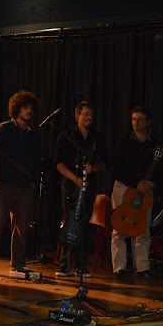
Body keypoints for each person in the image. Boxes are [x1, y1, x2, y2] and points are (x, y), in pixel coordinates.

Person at [0, 91, 41, 277]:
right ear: (17, 108)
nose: (29, 110)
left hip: (24, 187)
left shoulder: (33, 136)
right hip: (3, 184)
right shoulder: (3, 129)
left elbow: (36, 161)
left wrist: (33, 183)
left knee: (21, 228)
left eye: (31, 107)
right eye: (25, 107)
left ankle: (18, 265)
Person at [54, 101, 107, 278]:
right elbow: (58, 163)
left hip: (89, 187)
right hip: (70, 185)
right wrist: (74, 178)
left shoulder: (97, 138)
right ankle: (64, 265)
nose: (89, 117)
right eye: (85, 114)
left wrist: (94, 168)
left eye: (91, 115)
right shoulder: (66, 136)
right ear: (77, 116)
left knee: (84, 224)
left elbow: (104, 164)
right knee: (68, 221)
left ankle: (80, 266)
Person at [111, 106, 162, 279]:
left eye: (140, 119)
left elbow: (162, 171)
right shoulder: (123, 142)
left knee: (143, 228)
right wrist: (135, 183)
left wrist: (152, 184)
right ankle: (119, 268)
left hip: (145, 190)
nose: (136, 122)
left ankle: (142, 267)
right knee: (119, 227)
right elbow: (115, 169)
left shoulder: (155, 145)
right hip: (124, 188)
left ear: (148, 122)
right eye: (133, 119)